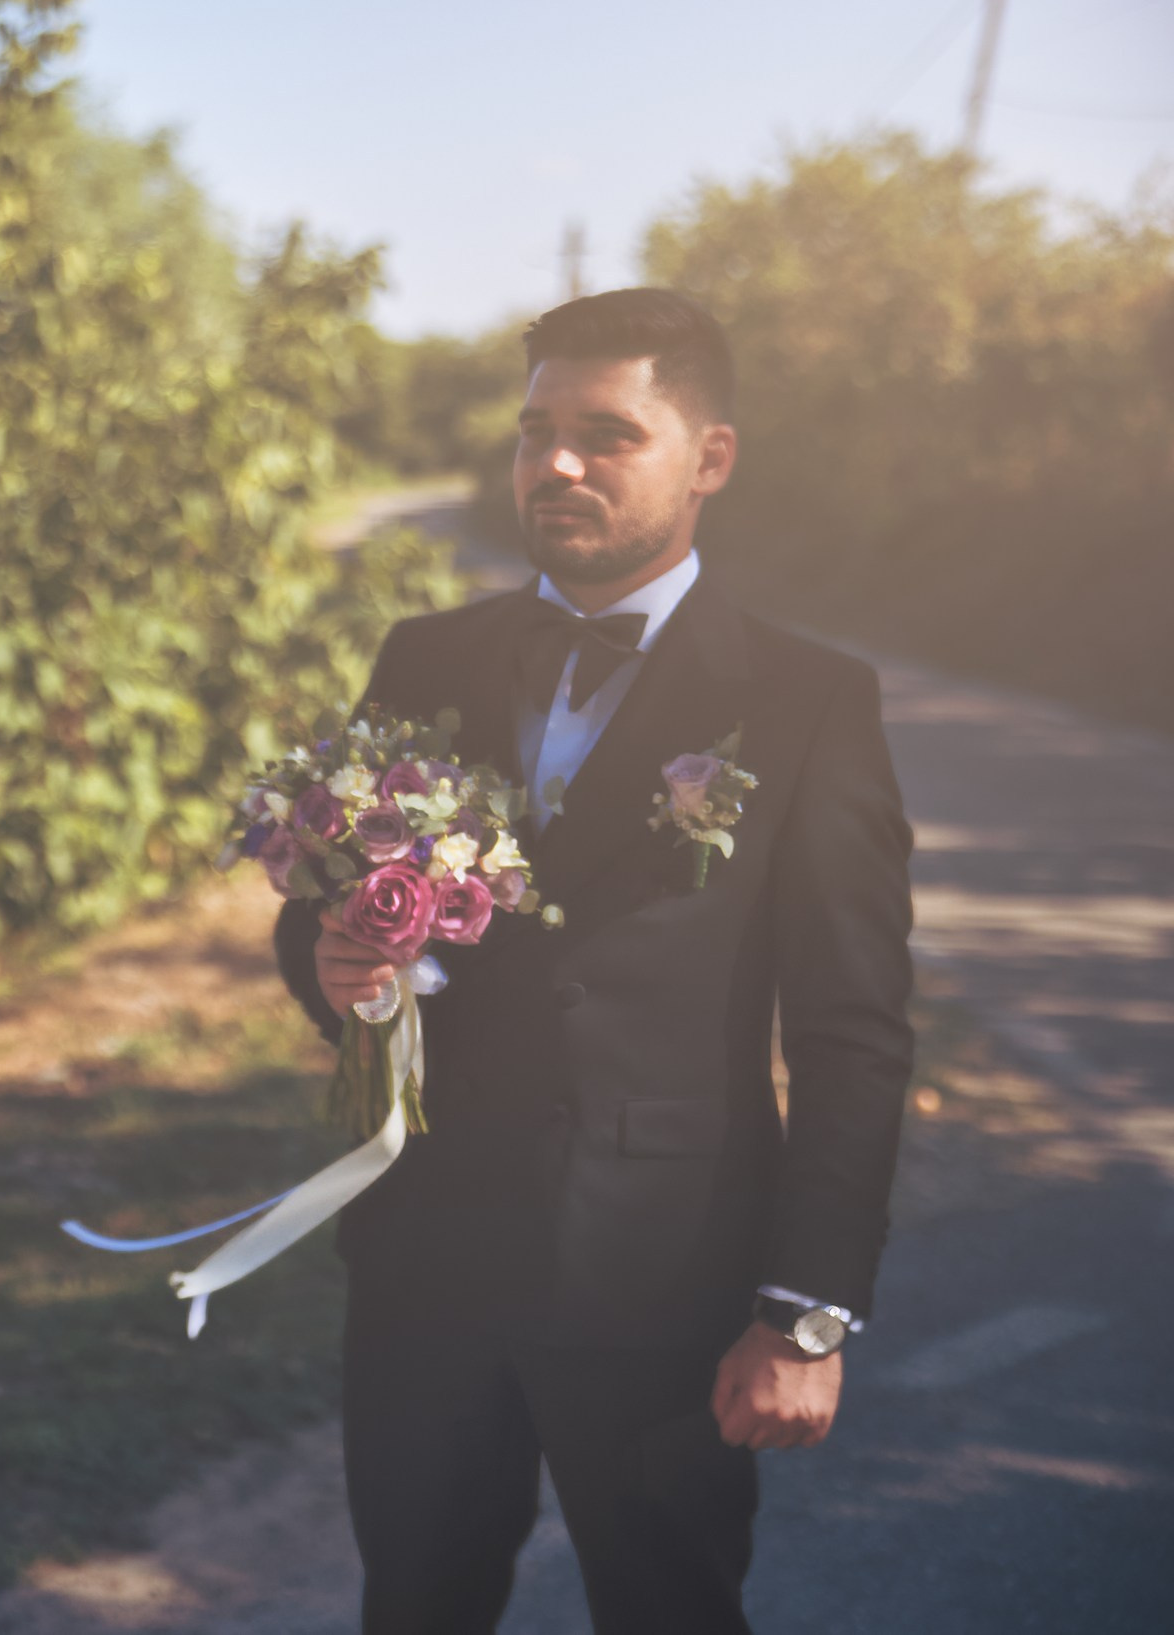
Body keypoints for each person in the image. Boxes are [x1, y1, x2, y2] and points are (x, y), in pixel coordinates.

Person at [274, 289, 915, 1633]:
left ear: (711, 459)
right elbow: (319, 908)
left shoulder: (805, 701)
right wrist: (329, 966)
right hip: (429, 1269)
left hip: (663, 1286)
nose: (556, 464)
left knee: (670, 1614)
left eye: (606, 434)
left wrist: (806, 1314)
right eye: (535, 432)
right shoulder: (428, 655)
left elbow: (853, 1031)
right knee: (414, 1608)